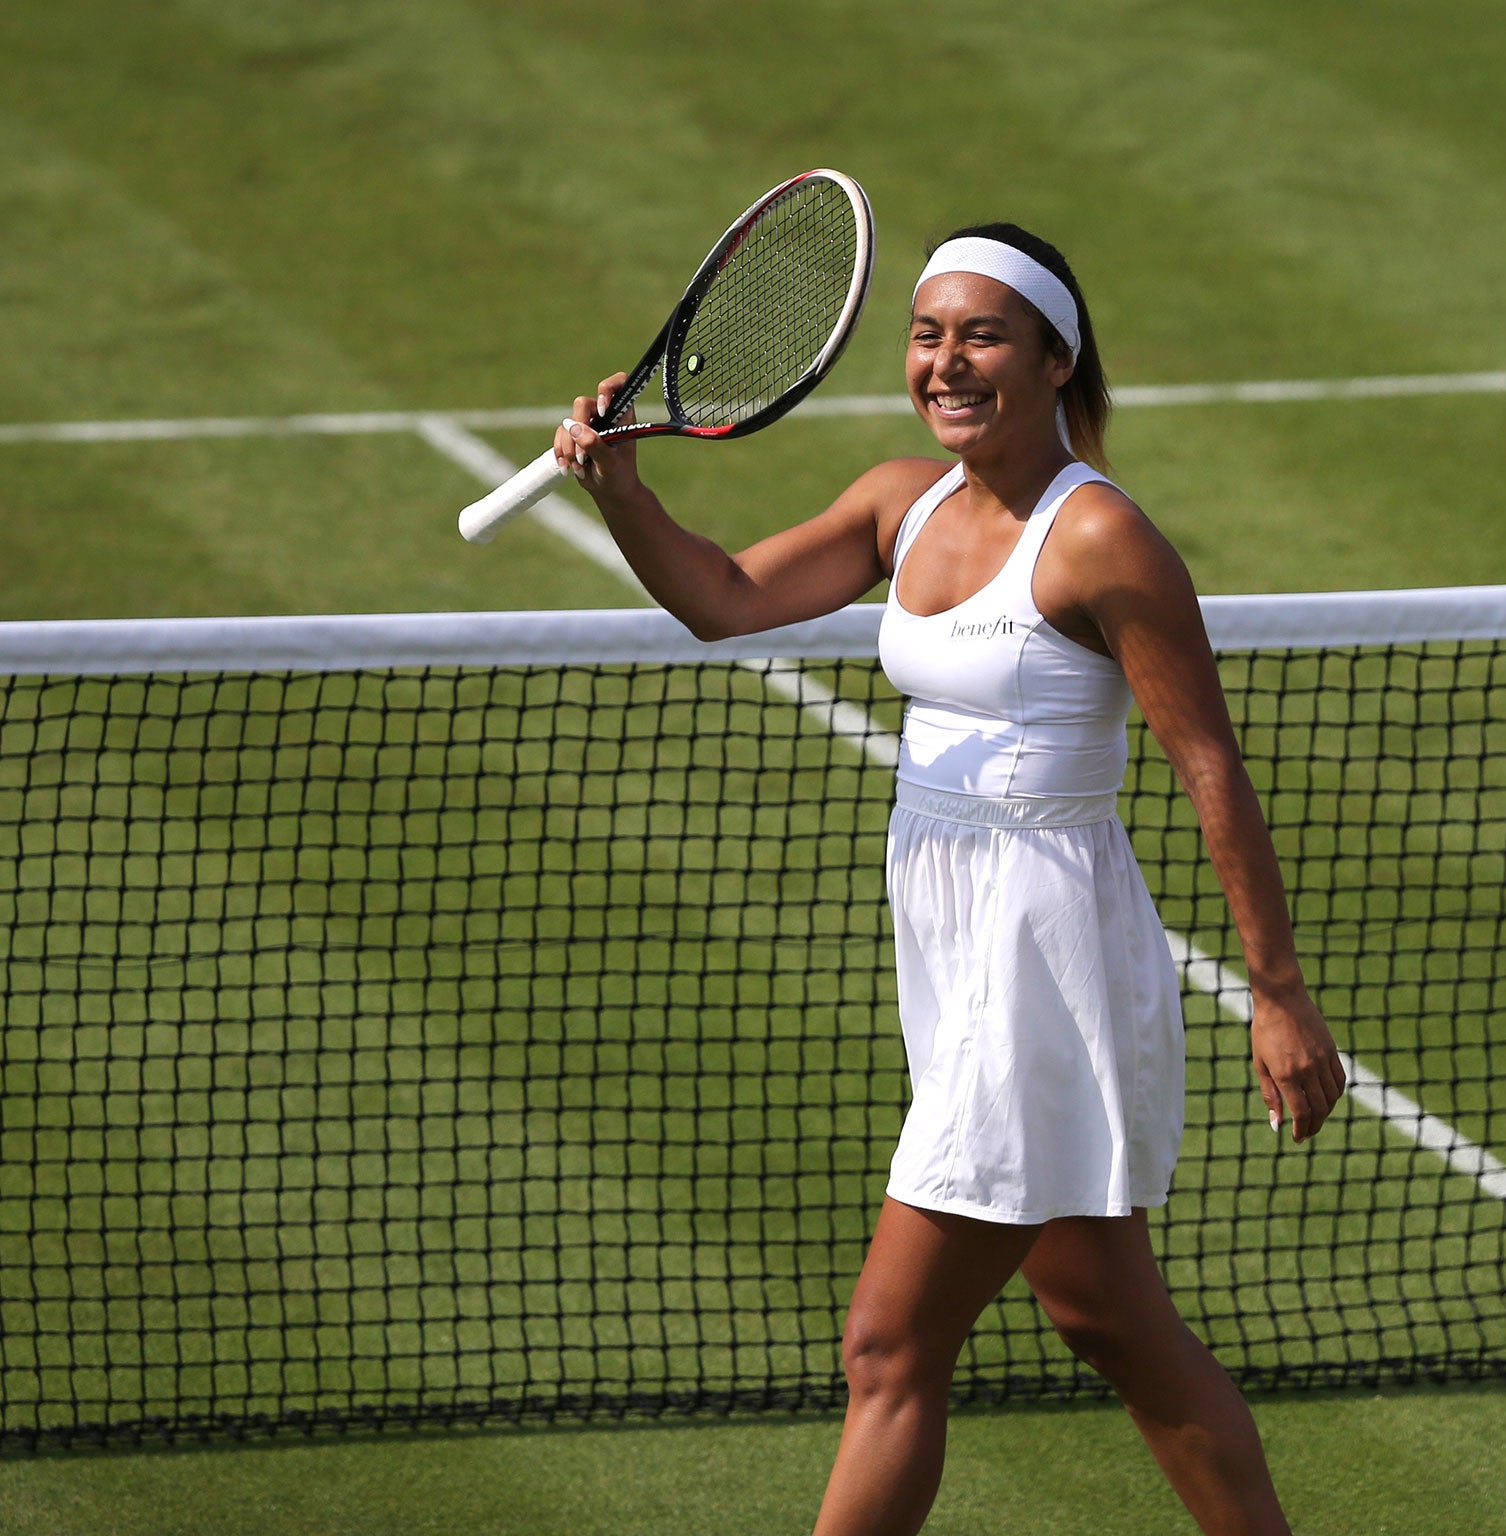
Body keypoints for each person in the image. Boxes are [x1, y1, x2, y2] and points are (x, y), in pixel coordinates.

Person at [555, 223, 1347, 1536]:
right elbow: (729, 595)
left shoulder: (1100, 543)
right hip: (953, 946)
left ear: (1051, 359)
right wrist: (626, 495)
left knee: (887, 1344)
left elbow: (1210, 767)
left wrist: (1278, 991)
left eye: (980, 334)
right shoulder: (896, 502)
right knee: (1110, 1320)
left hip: (1044, 961)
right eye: (928, 336)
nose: (946, 362)